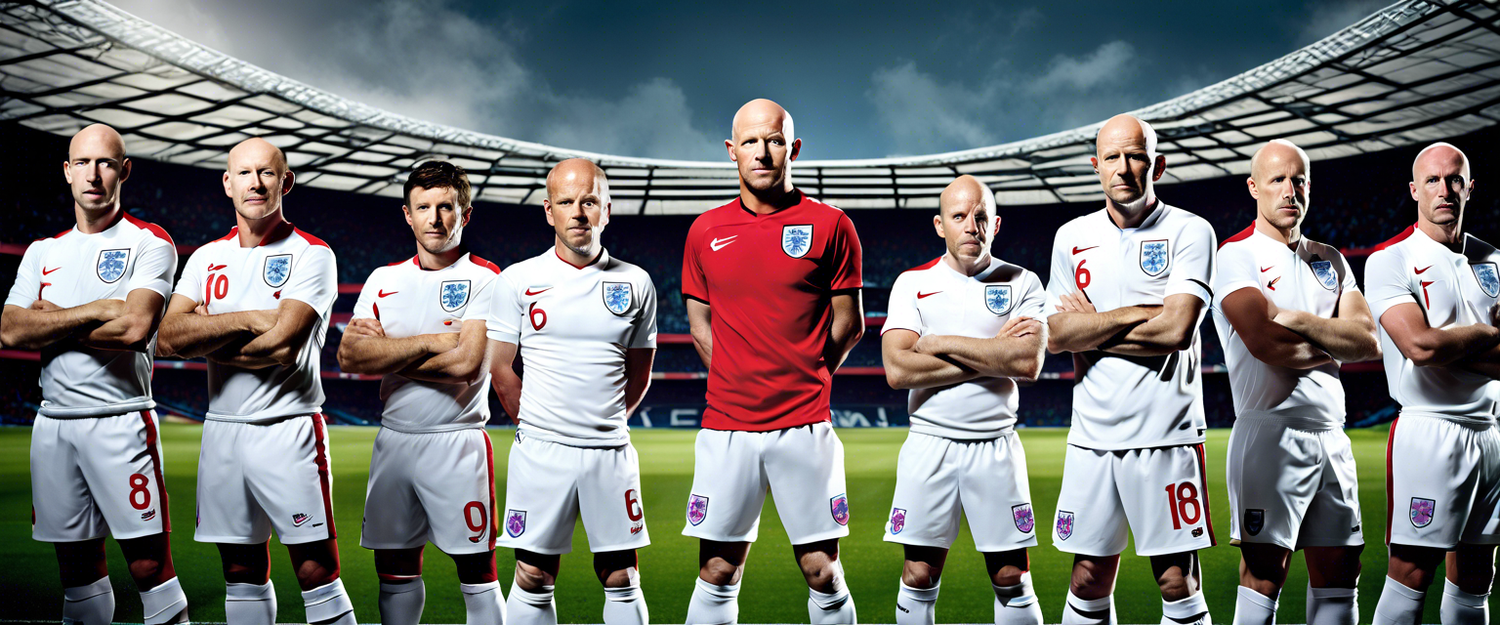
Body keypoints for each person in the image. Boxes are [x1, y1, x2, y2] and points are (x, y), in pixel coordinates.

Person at [680, 98, 865, 624]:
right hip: (727, 426)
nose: (763, 152)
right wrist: (738, 376)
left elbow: (849, 323)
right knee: (717, 569)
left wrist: (806, 374)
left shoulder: (831, 225)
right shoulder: (703, 231)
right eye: (752, 142)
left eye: (775, 140)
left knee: (822, 569)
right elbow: (701, 325)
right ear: (731, 151)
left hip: (804, 423)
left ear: (794, 148)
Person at [156, 138, 353, 625]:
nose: (256, 183)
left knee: (315, 568)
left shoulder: (312, 254)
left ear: (285, 182)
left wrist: (207, 328)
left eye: (267, 173)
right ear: (228, 183)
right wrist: (253, 318)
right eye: (244, 173)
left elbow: (284, 347)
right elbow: (165, 339)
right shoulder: (205, 257)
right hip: (222, 428)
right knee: (240, 568)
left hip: (288, 428)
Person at [1, 123, 188, 625]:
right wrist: (94, 310)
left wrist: (53, 318)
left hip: (120, 419)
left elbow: (134, 327)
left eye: (105, 163)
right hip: (54, 424)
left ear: (124, 171)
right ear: (66, 172)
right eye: (82, 162)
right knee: (77, 570)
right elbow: (12, 332)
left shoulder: (150, 242)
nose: (93, 173)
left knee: (149, 566)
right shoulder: (43, 250)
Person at [1044, 114, 1217, 625]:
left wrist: (1092, 325)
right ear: (1095, 166)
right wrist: (1143, 314)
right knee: (1087, 578)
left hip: (1166, 436)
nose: (1124, 168)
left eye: (1136, 156)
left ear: (1156, 164)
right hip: (1092, 438)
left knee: (1177, 580)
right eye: (1113, 157)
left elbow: (1176, 330)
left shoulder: (1190, 230)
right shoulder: (1070, 236)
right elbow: (1056, 335)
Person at [1212, 139, 1380, 625]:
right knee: (1265, 575)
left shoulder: (1331, 258)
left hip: (1332, 434)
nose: (1290, 190)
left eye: (1298, 180)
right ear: (1254, 188)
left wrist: (1292, 315)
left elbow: (1368, 342)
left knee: (1342, 572)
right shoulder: (1236, 256)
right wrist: (1333, 338)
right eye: (1277, 180)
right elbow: (1266, 344)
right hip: (1270, 432)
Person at [487, 158, 656, 625]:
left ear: (607, 209)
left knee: (621, 575)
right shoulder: (517, 280)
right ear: (548, 210)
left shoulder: (636, 281)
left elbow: (638, 373)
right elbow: (500, 368)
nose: (578, 212)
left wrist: (606, 424)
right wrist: (540, 425)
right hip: (541, 452)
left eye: (589, 201)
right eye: (566, 201)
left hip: (610, 452)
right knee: (533, 575)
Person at [337, 161, 504, 625]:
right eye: (424, 207)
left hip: (457, 441)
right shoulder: (382, 279)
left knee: (477, 572)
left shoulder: (487, 278)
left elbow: (466, 365)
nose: (435, 218)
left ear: (464, 214)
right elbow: (350, 358)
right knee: (393, 569)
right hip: (393, 442)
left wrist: (386, 350)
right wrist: (434, 341)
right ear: (407, 215)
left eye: (446, 207)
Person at [880, 175, 1048, 625]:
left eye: (981, 217)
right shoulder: (911, 283)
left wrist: (935, 342)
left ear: (996, 224)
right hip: (929, 444)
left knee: (1012, 576)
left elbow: (1029, 363)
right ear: (940, 225)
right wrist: (995, 355)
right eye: (958, 217)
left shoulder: (1022, 282)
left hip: (996, 446)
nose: (971, 226)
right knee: (917, 575)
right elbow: (897, 370)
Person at [1365, 142, 1499, 625]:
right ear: (1414, 190)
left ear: (1469, 187)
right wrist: (1488, 333)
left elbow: (1440, 348)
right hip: (1429, 432)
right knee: (1411, 571)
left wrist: (1451, 345)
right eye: (1433, 181)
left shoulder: (1495, 260)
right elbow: (1420, 348)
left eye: (1454, 179)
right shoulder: (1390, 260)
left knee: (1477, 573)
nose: (1445, 189)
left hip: (1490, 432)